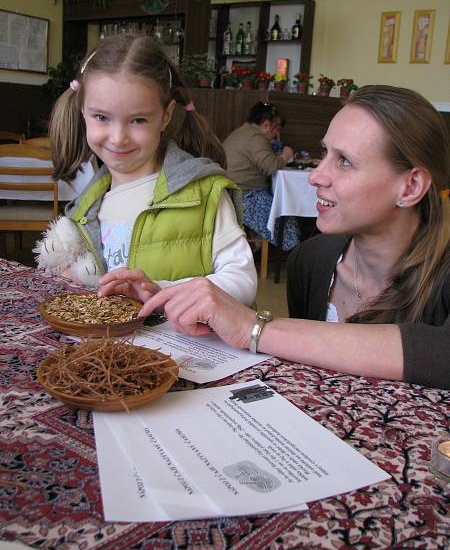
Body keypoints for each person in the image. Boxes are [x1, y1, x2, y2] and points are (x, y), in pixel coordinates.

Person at [105, 85, 449, 389]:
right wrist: (168, 300)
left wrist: (256, 329)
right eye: (325, 152)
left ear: (411, 185)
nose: (316, 176)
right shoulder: (310, 261)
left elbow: (440, 353)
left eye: (344, 161)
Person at [34, 35, 257, 306]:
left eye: (138, 120)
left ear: (166, 115)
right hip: (114, 346)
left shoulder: (202, 193)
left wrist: (160, 291)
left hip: (183, 345)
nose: (118, 138)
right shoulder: (85, 206)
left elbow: (243, 281)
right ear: (83, 110)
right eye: (101, 117)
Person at [222, 101, 299, 250]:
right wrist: (285, 156)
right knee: (283, 212)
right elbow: (270, 166)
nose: (276, 134)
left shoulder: (243, 132)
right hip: (244, 196)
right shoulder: (255, 138)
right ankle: (291, 251)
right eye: (276, 128)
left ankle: (256, 244)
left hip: (233, 192)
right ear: (266, 124)